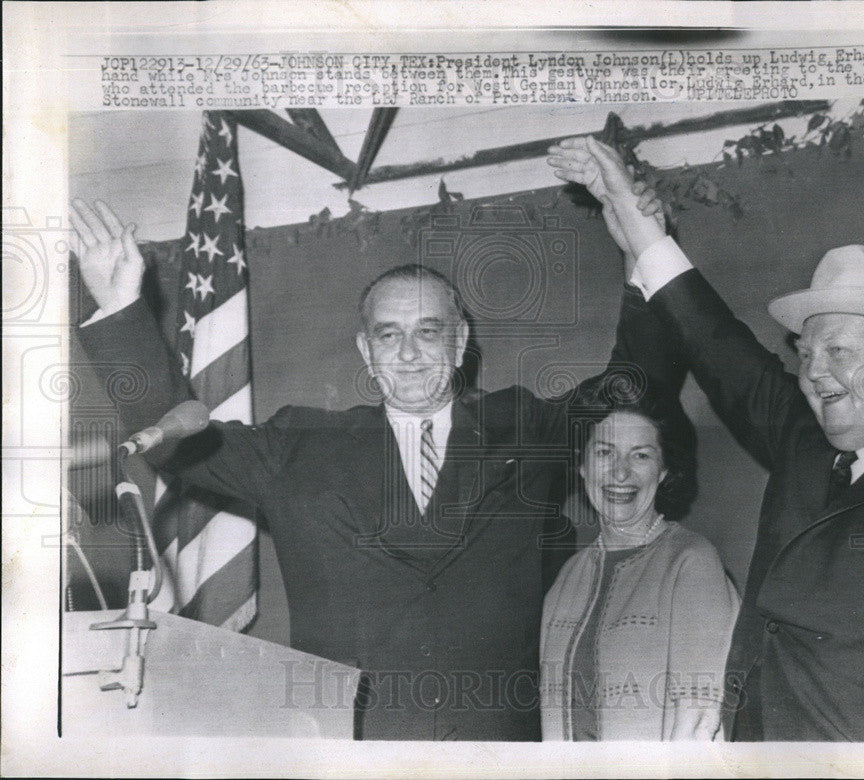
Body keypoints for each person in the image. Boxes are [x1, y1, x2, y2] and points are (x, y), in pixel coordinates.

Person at [68, 190, 687, 741]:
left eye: (430, 331)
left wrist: (645, 248)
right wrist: (120, 306)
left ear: (461, 342)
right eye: (389, 335)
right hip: (354, 745)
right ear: (366, 348)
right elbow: (175, 443)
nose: (411, 354)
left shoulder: (523, 427)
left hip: (498, 743)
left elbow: (637, 387)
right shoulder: (298, 444)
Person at [547, 136, 864, 742]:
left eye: (839, 350)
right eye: (806, 350)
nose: (814, 371)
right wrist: (641, 230)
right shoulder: (805, 440)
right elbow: (716, 343)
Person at [540, 399, 739, 741]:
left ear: (663, 471)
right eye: (604, 453)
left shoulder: (692, 562)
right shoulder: (567, 576)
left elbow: (696, 725)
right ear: (582, 466)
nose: (620, 473)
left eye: (641, 455)